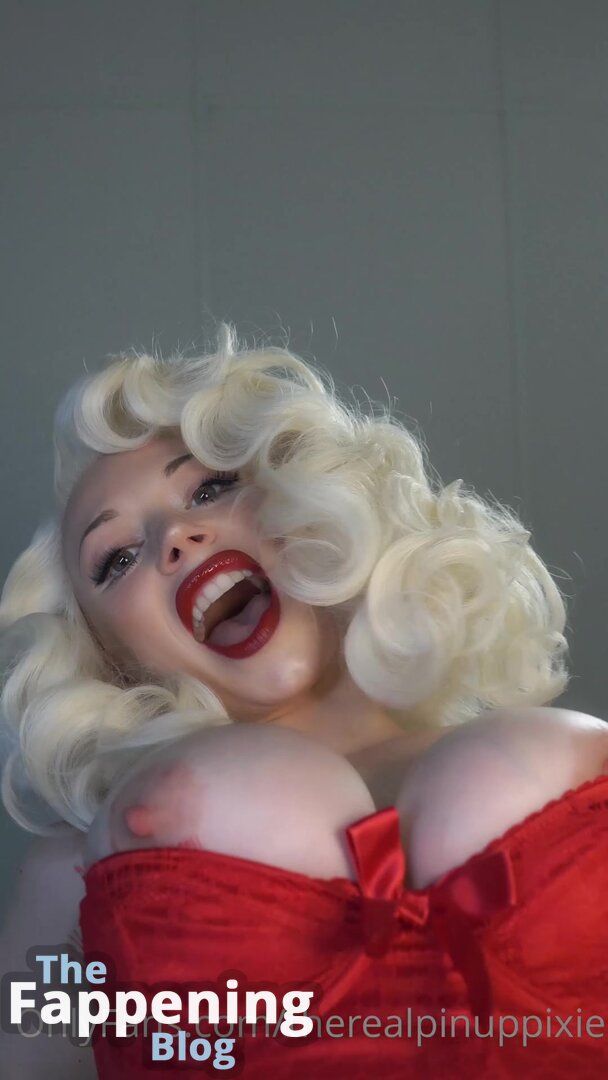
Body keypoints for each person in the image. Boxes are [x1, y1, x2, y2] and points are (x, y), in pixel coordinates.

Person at [1, 323, 607, 1078]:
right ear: (108, 656)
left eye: (211, 488)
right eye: (117, 557)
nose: (176, 536)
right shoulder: (78, 867)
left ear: (313, 503)